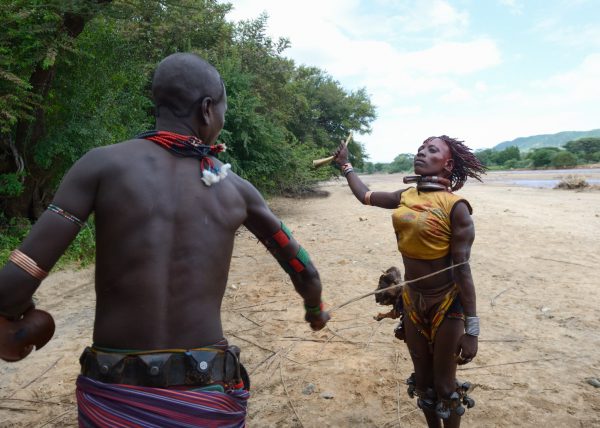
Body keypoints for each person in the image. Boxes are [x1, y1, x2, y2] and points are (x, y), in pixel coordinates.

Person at [0, 52, 329, 427]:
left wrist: (25, 320)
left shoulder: (100, 165)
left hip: (112, 401)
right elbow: (305, 272)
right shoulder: (237, 190)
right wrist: (315, 311)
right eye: (223, 109)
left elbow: (11, 289)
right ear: (207, 109)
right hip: (206, 401)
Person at [333, 135, 485, 428]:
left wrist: (473, 329)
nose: (422, 154)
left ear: (447, 163)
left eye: (432, 151)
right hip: (412, 301)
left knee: (444, 386)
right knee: (424, 383)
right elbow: (365, 195)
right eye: (420, 150)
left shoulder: (457, 208)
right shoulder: (405, 196)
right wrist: (346, 165)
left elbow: (463, 271)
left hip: (447, 303)